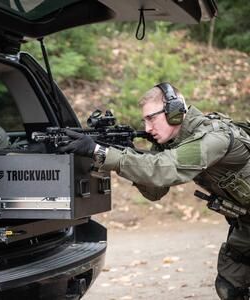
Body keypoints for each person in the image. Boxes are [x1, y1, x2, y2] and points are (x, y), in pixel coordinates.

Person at [59, 82, 250, 300]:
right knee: (230, 286)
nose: (148, 128)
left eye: (152, 118)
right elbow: (155, 191)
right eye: (145, 120)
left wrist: (101, 152)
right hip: (245, 223)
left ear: (175, 112)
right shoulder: (172, 143)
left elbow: (164, 170)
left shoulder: (214, 138)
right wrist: (126, 152)